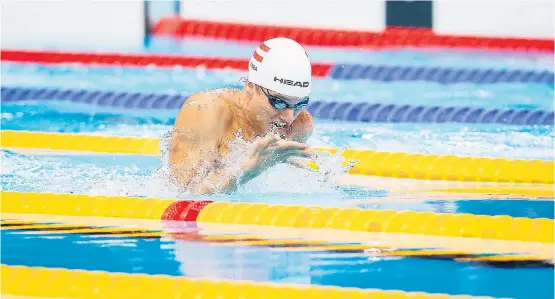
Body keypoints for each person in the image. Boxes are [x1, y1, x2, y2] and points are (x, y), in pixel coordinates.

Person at [168, 37, 316, 195]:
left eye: (299, 104)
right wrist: (244, 171)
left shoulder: (299, 125)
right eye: (278, 102)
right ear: (250, 87)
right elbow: (181, 195)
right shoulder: (205, 111)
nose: (288, 118)